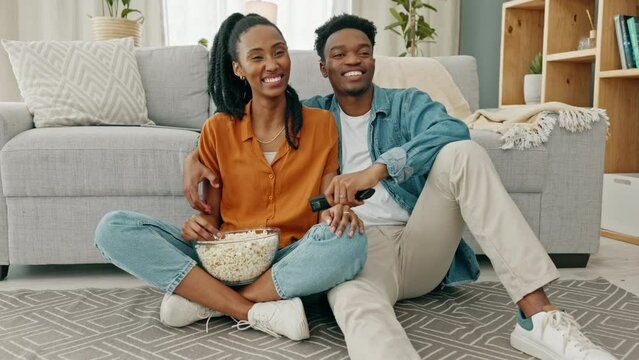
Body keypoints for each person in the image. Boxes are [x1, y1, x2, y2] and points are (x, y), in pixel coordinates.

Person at [182, 14, 617, 360]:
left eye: (363, 52)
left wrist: (378, 170)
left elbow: (451, 128)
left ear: (373, 59)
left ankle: (538, 319)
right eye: (339, 54)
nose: (352, 60)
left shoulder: (408, 103)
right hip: (350, 248)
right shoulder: (308, 115)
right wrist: (194, 158)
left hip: (421, 241)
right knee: (358, 310)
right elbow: (249, 129)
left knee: (462, 153)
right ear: (322, 67)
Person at [94, 13, 367, 342]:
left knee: (351, 239)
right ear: (238, 68)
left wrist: (335, 212)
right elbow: (212, 218)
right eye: (257, 57)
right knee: (113, 227)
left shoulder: (321, 124)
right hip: (225, 259)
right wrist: (196, 226)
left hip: (289, 258)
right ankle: (251, 310)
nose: (272, 64)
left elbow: (325, 204)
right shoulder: (217, 130)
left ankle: (207, 301)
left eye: (279, 52)